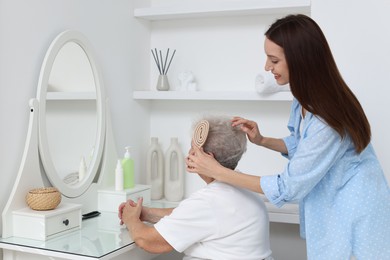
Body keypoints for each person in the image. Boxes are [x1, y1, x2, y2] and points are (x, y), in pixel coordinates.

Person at [186, 14, 390, 260]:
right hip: (334, 207)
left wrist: (219, 172)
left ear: (300, 60)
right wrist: (262, 140)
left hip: (355, 214)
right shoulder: (304, 99)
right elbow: (301, 145)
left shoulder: (326, 117)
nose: (266, 67)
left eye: (273, 60)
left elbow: (289, 187)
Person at [118, 115, 273, 260]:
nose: (188, 154)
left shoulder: (208, 202)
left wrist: (131, 219)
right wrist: (147, 213)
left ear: (208, 158)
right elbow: (194, 216)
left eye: (193, 148)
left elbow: (147, 241)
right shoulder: (246, 189)